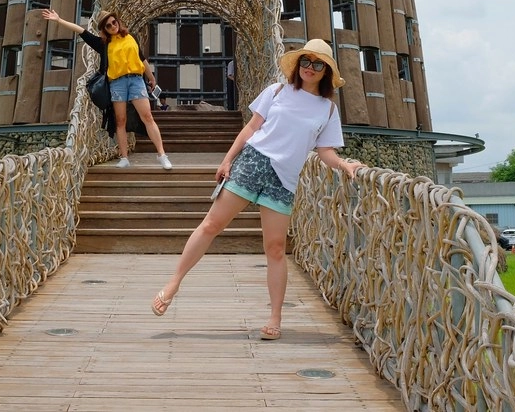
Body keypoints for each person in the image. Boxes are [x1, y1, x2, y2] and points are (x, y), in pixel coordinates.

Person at [150, 39, 365, 340]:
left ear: (326, 71)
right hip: (253, 162)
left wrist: (344, 165)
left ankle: (275, 318)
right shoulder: (276, 91)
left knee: (275, 248)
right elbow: (251, 128)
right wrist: (227, 160)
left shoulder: (328, 110)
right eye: (306, 61)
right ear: (298, 64)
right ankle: (174, 282)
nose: (310, 68)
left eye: (318, 64)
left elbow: (325, 151)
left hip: (284, 179)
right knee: (211, 224)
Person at [42, 8, 172, 170]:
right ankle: (124, 157)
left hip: (136, 80)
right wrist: (59, 20)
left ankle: (162, 155)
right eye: (108, 26)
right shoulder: (104, 43)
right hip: (117, 83)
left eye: (114, 22)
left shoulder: (131, 37)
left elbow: (141, 58)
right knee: (120, 121)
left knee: (147, 117)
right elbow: (81, 31)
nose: (112, 26)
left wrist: (151, 77)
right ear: (104, 29)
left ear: (118, 22)